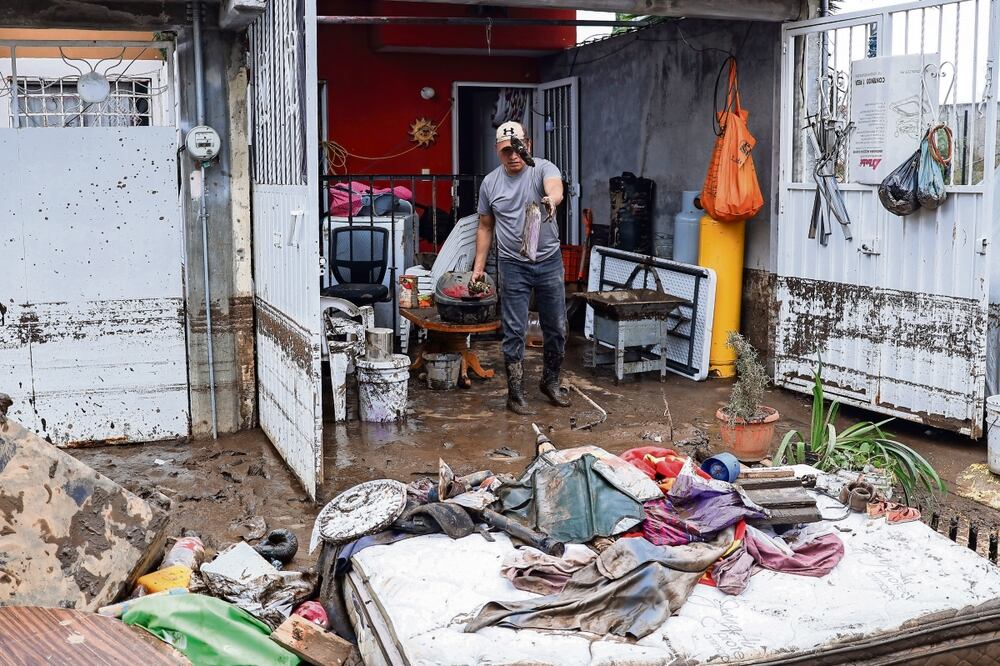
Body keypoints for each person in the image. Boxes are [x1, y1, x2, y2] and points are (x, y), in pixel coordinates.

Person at [472, 121, 571, 415]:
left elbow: (556, 188)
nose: (513, 156)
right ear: (497, 151)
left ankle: (550, 381)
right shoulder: (490, 183)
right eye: (506, 151)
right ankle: (515, 394)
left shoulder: (542, 168)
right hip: (513, 264)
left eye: (518, 148)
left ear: (528, 144)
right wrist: (478, 267)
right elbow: (485, 225)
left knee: (557, 327)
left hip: (549, 260)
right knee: (514, 330)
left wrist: (551, 200)